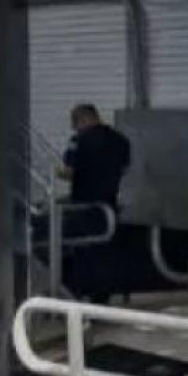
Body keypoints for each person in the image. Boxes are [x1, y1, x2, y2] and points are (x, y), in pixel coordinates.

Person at [57, 103, 131, 303]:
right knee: (105, 252)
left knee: (83, 251)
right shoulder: (120, 140)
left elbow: (69, 170)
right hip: (108, 205)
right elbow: (124, 169)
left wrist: (59, 173)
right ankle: (102, 299)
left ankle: (81, 295)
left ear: (83, 119)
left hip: (84, 205)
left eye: (75, 122)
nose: (73, 128)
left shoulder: (78, 141)